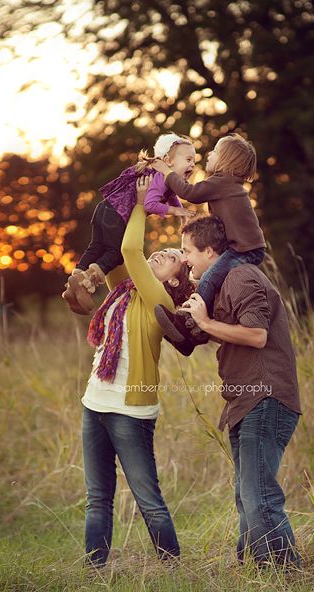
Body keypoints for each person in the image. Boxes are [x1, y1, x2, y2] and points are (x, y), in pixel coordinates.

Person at [175, 215, 302, 569]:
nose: (185, 258)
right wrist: (198, 323)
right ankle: (253, 569)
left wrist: (205, 323)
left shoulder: (241, 276)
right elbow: (232, 331)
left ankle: (283, 573)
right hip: (244, 400)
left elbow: (256, 335)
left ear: (210, 250)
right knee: (247, 495)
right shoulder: (224, 281)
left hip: (266, 396)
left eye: (188, 251)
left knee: (259, 494)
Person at [80, 177, 195, 568]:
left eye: (175, 257)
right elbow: (117, 250)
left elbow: (131, 248)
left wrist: (145, 204)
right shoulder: (124, 289)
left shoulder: (158, 299)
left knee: (148, 499)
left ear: (177, 279)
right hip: (94, 402)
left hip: (131, 410)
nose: (164, 252)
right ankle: (95, 571)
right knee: (98, 497)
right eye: (165, 249)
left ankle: (172, 567)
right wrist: (127, 199)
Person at [152, 133, 266, 346]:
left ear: (225, 161)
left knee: (209, 278)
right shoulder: (230, 184)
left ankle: (186, 320)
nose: (209, 154)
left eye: (215, 151)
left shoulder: (222, 182)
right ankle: (194, 333)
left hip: (244, 250)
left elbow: (189, 192)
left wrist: (167, 172)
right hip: (246, 248)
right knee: (214, 281)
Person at [63, 133, 195, 315]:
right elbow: (150, 204)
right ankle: (88, 280)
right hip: (118, 214)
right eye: (188, 159)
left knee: (96, 247)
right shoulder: (160, 179)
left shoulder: (165, 181)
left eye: (194, 160)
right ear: (168, 161)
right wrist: (176, 211)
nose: (193, 164)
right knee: (115, 253)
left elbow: (172, 197)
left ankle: (73, 285)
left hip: (105, 208)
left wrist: (182, 216)